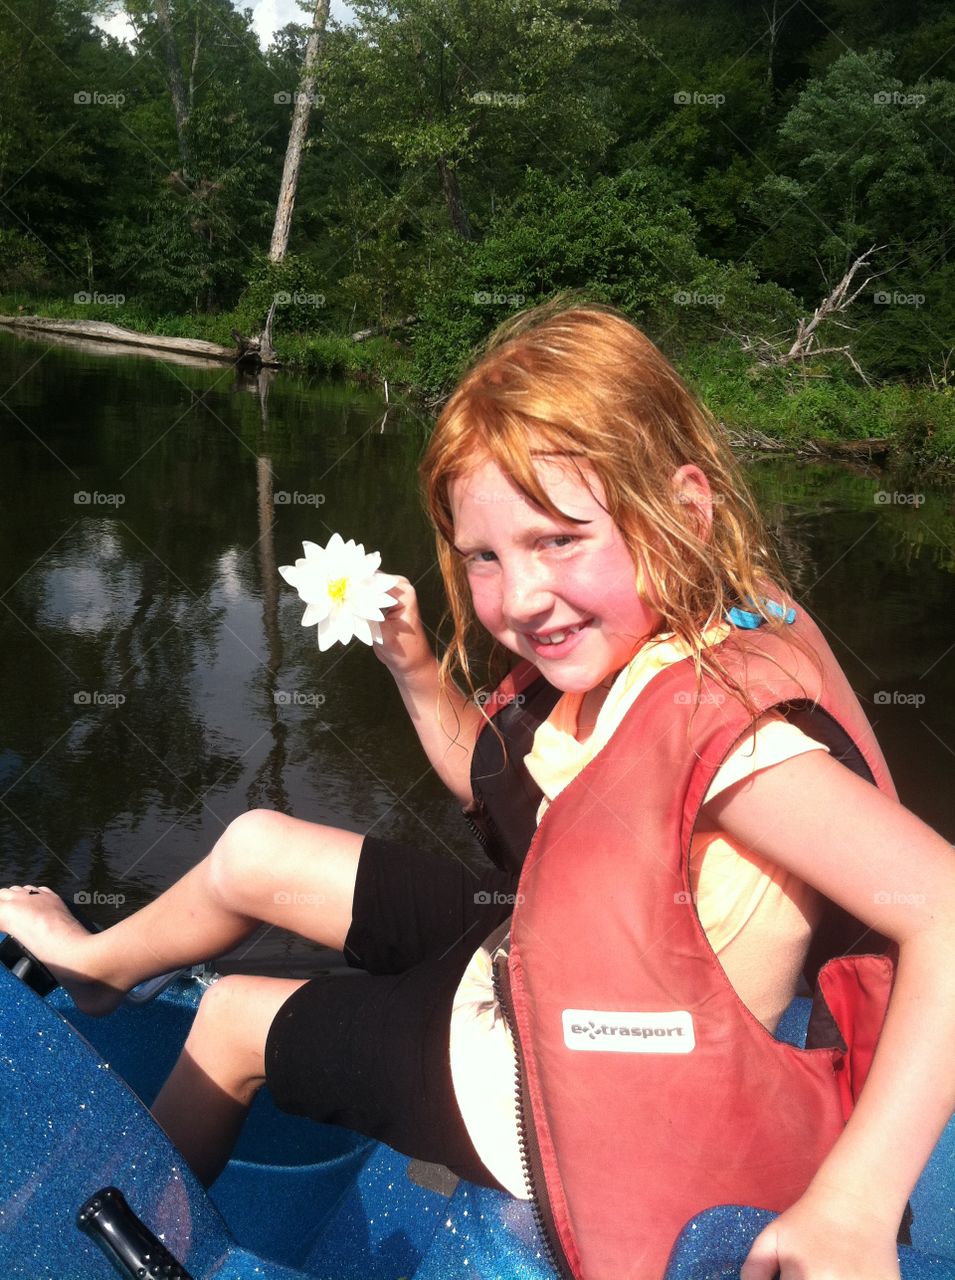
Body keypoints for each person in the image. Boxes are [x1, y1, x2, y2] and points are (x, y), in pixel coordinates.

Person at [1, 298, 953, 1280]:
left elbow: (945, 908)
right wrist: (417, 671)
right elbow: (527, 800)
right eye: (484, 557)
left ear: (684, 508)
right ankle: (102, 966)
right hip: (548, 966)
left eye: (558, 540)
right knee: (257, 849)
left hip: (582, 1092)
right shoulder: (635, 655)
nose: (519, 596)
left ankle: (115, 1253)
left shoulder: (741, 741)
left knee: (234, 1012)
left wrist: (851, 1202)